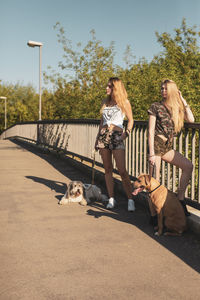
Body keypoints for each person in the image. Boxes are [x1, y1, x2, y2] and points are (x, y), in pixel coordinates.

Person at [148, 79, 194, 218]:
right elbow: (150, 131)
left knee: (188, 166)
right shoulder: (156, 106)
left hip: (167, 147)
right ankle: (154, 217)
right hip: (156, 144)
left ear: (172, 91)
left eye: (166, 89)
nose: (163, 91)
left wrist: (183, 100)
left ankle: (180, 199)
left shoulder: (177, 108)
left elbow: (191, 119)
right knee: (154, 182)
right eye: (162, 88)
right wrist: (151, 153)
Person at [94, 77, 135, 211]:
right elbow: (102, 123)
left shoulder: (124, 102)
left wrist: (126, 134)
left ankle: (130, 199)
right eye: (107, 86)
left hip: (117, 136)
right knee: (107, 169)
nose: (106, 88)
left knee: (122, 170)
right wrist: (97, 139)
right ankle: (111, 198)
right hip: (104, 136)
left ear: (115, 88)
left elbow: (130, 120)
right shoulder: (105, 102)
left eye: (109, 86)